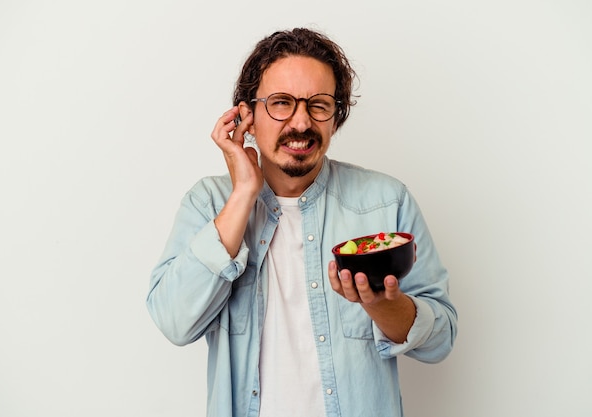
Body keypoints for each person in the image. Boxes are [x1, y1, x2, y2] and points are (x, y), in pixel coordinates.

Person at [146, 27, 457, 417]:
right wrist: (243, 192)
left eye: (319, 105)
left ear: (335, 118)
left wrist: (381, 306)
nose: (300, 122)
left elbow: (440, 339)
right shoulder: (208, 203)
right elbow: (175, 322)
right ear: (248, 116)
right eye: (280, 103)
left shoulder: (386, 202)